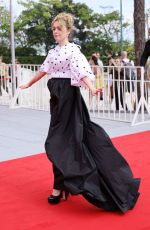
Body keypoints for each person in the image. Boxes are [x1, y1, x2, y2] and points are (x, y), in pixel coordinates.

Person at [20, 12, 140, 213]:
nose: (56, 32)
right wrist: (28, 83)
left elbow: (82, 73)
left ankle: (67, 186)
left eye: (59, 28)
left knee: (61, 142)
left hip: (69, 99)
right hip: (57, 101)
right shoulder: (52, 53)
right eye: (54, 29)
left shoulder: (73, 51)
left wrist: (92, 89)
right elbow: (43, 70)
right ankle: (60, 186)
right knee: (59, 143)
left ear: (68, 30)